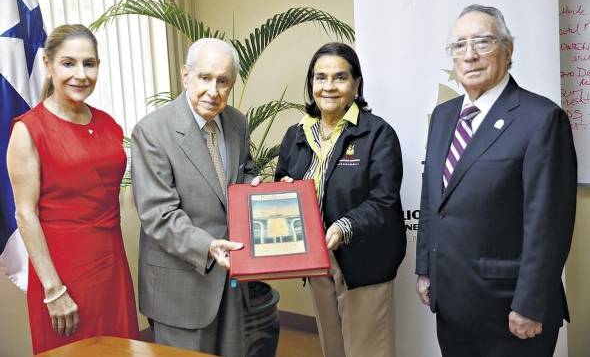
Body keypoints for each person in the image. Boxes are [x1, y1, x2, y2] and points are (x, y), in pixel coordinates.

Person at [416, 4, 577, 357]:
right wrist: (426, 269)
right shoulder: (444, 116)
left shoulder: (542, 118)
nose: (470, 55)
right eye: (459, 46)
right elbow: (433, 201)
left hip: (509, 310)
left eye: (483, 42)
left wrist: (531, 304)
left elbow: (548, 224)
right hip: (452, 304)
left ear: (508, 49)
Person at [6, 24, 140, 354]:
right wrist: (53, 290)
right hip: (62, 275)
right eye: (68, 63)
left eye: (89, 63)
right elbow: (25, 215)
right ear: (48, 65)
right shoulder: (28, 131)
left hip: (112, 267)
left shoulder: (109, 124)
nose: (80, 74)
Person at [275, 42, 406, 357]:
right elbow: (282, 181)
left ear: (356, 83)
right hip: (317, 262)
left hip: (363, 262)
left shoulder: (378, 134)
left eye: (339, 77)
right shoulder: (296, 135)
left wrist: (344, 227)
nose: (328, 87)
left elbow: (383, 200)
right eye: (320, 78)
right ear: (311, 84)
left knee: (367, 350)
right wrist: (284, 189)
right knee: (332, 348)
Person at [131, 38, 259, 356]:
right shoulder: (152, 131)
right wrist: (207, 246)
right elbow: (158, 214)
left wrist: (261, 191)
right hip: (181, 288)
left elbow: (243, 175)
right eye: (205, 78)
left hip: (230, 280)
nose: (213, 91)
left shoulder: (236, 123)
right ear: (186, 75)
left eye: (223, 81)